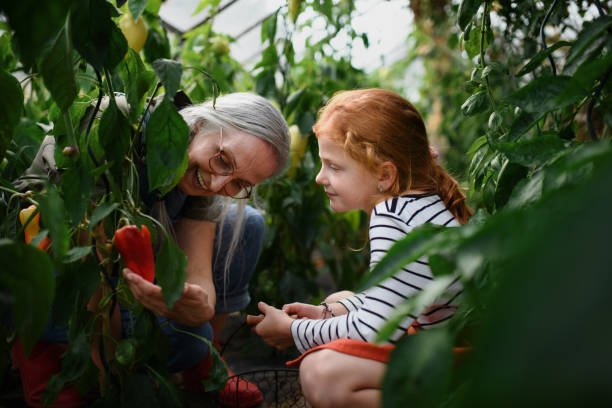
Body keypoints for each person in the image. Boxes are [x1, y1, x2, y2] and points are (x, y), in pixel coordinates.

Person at [10, 92, 290, 408]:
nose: (216, 185)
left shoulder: (205, 163)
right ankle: (45, 356)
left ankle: (205, 361)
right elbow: (93, 274)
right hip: (57, 263)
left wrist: (196, 309)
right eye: (223, 161)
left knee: (247, 224)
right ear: (200, 123)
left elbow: (198, 276)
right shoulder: (113, 123)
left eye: (239, 183)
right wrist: (108, 383)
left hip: (121, 270)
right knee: (157, 342)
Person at [248, 88, 472, 408]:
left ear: (384, 173)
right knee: (338, 300)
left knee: (320, 374)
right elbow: (398, 298)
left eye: (334, 167)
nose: (319, 177)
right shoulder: (422, 200)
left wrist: (294, 330)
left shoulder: (390, 214)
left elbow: (374, 330)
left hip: (452, 359)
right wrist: (324, 315)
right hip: (450, 340)